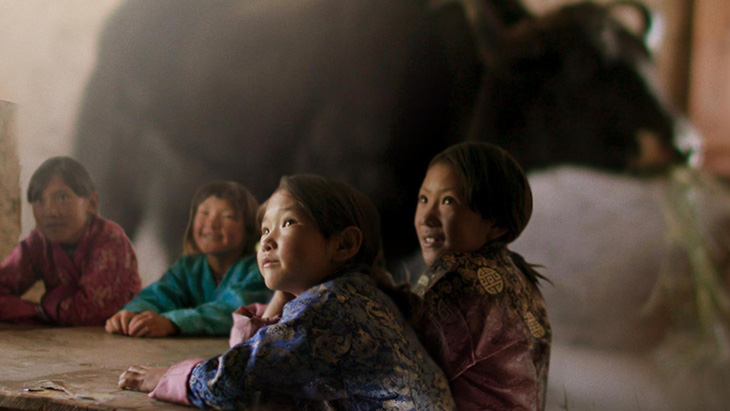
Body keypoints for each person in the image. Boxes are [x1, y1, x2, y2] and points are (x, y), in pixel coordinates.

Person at [118, 174, 456, 410]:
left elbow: (235, 379)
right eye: (264, 228)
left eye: (288, 223)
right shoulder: (357, 293)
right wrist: (279, 298)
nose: (266, 240)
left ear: (344, 244)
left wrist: (167, 377)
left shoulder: (331, 308)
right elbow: (259, 358)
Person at [412, 141, 551, 410]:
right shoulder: (519, 275)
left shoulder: (455, 279)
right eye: (424, 199)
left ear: (496, 224)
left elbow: (398, 378)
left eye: (448, 201)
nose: (427, 217)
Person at [105, 181, 271, 337]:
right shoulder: (189, 268)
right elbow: (161, 294)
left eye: (227, 216)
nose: (212, 224)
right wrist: (133, 313)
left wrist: (172, 322)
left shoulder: (259, 270)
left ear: (249, 228)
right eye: (204, 213)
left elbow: (234, 311)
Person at [0, 156, 141, 325]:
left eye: (62, 198)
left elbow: (91, 311)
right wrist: (42, 308)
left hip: (119, 341)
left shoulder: (111, 241)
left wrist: (43, 307)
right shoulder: (39, 242)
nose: (51, 211)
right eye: (39, 200)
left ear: (92, 203)